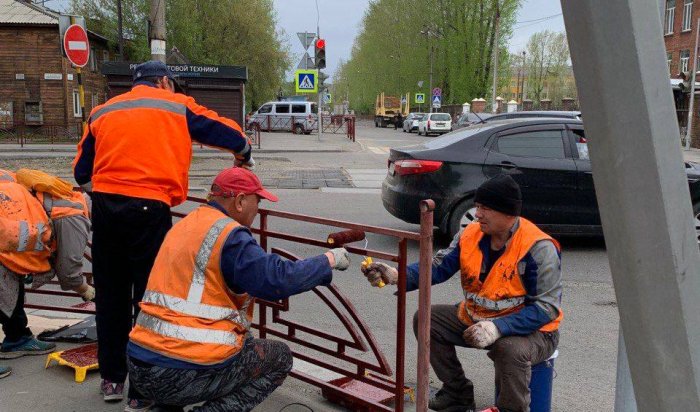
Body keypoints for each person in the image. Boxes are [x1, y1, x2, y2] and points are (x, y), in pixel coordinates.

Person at [72, 61, 254, 407]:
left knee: (110, 296)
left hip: (106, 210)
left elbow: (81, 171)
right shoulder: (174, 106)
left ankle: (112, 380)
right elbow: (223, 131)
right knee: (151, 299)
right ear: (164, 82)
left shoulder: (104, 111)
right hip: (149, 211)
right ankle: (141, 393)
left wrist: (104, 193)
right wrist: (243, 152)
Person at [126, 167, 350, 412]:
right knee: (279, 358)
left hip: (140, 365)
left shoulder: (187, 224)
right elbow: (276, 279)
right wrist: (328, 260)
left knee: (244, 342)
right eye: (258, 200)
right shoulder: (229, 236)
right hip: (179, 370)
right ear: (241, 201)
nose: (260, 209)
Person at [362, 175, 562, 412]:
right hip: (477, 317)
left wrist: (498, 327)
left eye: (485, 208)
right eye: (477, 207)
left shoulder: (538, 247)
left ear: (509, 213)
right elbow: (437, 267)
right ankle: (457, 394)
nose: (477, 214)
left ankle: (511, 409)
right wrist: (397, 275)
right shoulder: (471, 234)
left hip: (533, 332)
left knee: (509, 349)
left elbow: (545, 309)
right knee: (428, 321)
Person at [0, 169, 94, 365]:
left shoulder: (60, 193)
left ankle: (18, 339)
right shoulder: (75, 214)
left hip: (6, 239)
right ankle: (17, 339)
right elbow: (68, 271)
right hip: (4, 239)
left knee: (11, 294)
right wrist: (85, 290)